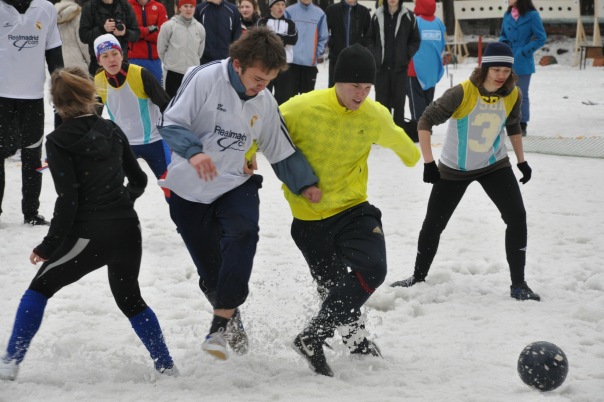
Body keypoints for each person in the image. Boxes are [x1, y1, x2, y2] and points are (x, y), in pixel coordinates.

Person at [0, 67, 177, 381]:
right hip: (127, 230)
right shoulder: (112, 130)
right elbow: (138, 180)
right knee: (130, 299)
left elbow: (68, 200)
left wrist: (48, 246)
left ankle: (10, 363)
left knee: (38, 290)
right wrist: (120, 203)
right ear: (89, 96)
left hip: (89, 235)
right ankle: (166, 365)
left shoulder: (57, 141)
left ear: (56, 104)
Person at [157, 26, 321, 361]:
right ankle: (233, 319)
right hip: (189, 189)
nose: (264, 86)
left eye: (269, 79)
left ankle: (219, 326)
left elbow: (281, 150)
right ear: (237, 64)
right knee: (212, 274)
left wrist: (306, 184)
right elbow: (171, 121)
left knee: (244, 233)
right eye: (259, 78)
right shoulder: (204, 77)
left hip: (234, 182)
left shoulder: (264, 101)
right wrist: (194, 152)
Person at [280, 43, 420, 377]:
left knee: (372, 269)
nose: (361, 94)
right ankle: (355, 340)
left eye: (367, 87)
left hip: (354, 209)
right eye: (354, 86)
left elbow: (403, 143)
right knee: (335, 289)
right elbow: (265, 130)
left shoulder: (374, 115)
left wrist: (421, 159)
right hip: (309, 219)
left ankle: (313, 336)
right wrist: (247, 156)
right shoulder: (301, 108)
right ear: (336, 82)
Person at [390, 42, 540, 303]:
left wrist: (521, 161)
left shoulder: (513, 94)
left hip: (494, 164)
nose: (501, 75)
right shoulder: (462, 92)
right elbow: (425, 121)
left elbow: (513, 125)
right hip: (455, 169)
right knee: (434, 223)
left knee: (517, 216)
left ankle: (519, 284)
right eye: (496, 69)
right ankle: (418, 276)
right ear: (485, 68)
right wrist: (428, 163)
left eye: (506, 70)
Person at [0, 0, 64, 226]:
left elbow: (54, 52)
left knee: (32, 157)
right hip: (1, 97)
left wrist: (61, 90)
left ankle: (31, 212)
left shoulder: (45, 8)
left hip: (32, 97)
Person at [94, 34, 172, 182]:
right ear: (99, 61)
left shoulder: (140, 73)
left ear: (122, 55)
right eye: (105, 56)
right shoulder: (99, 80)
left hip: (154, 141)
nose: (111, 59)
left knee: (172, 189)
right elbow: (93, 117)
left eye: (115, 53)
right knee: (114, 191)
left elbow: (166, 106)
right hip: (124, 145)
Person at [364, 0, 420, 129]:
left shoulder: (409, 16)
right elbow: (369, 38)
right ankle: (383, 131)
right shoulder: (377, 15)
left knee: (399, 101)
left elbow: (415, 40)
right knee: (382, 101)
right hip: (381, 68)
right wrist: (375, 53)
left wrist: (406, 54)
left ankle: (398, 131)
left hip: (400, 68)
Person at [499, 0, 546, 137]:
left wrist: (525, 51)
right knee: (505, 92)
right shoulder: (507, 15)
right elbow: (503, 35)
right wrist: (503, 45)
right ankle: (506, 121)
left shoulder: (532, 15)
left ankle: (522, 123)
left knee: (521, 94)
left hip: (523, 61)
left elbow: (541, 38)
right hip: (507, 58)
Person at [406, 0, 446, 140]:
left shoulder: (415, 22)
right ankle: (427, 125)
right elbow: (442, 45)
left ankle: (419, 128)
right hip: (432, 68)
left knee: (416, 100)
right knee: (428, 99)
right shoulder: (438, 23)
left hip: (414, 68)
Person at [158, 0, 206, 98]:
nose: (188, 9)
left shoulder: (200, 28)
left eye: (191, 6)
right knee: (171, 103)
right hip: (173, 72)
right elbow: (161, 49)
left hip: (191, 73)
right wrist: (171, 62)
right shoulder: (169, 26)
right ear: (180, 7)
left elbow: (200, 52)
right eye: (185, 6)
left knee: (189, 104)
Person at [79, 0, 141, 76]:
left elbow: (136, 34)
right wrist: (102, 29)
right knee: (99, 87)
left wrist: (125, 33)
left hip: (121, 61)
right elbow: (83, 36)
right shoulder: (89, 7)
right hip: (98, 63)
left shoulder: (125, 6)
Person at [257, 0, 298, 104]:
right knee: (265, 94)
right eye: (277, 4)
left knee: (283, 96)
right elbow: (261, 38)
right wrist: (283, 38)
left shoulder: (290, 23)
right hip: (267, 63)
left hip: (285, 64)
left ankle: (279, 119)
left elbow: (293, 39)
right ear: (271, 7)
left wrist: (271, 36)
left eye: (283, 5)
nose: (281, 7)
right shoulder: (262, 22)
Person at [284, 0, 328, 96]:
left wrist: (315, 54)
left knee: (307, 100)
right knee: (289, 100)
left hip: (309, 67)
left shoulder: (320, 14)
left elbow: (323, 38)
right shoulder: (289, 11)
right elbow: (283, 35)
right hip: (291, 65)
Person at [325, 0, 371, 87]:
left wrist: (361, 47)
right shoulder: (332, 10)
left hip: (356, 60)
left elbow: (369, 35)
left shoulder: (363, 11)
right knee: (334, 89)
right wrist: (332, 43)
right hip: (336, 59)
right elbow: (324, 32)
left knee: (353, 90)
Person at [128, 0, 169, 84]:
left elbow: (163, 35)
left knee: (155, 92)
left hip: (154, 59)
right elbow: (128, 32)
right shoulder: (128, 6)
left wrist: (139, 34)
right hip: (133, 58)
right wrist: (149, 30)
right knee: (135, 92)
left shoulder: (159, 7)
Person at [194, 0, 242, 64]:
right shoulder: (199, 9)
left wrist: (233, 56)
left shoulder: (233, 9)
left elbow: (237, 36)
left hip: (226, 61)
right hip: (204, 61)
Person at [55, 0, 91, 71]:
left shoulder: (51, 13)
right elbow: (83, 42)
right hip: (77, 65)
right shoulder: (77, 13)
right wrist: (90, 61)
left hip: (57, 64)